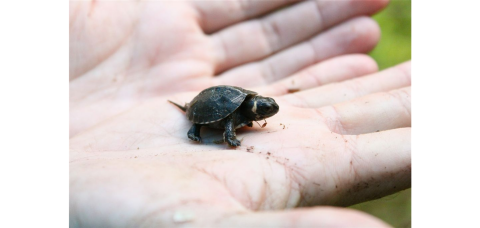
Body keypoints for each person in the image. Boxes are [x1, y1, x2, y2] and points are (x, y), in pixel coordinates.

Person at [68, 0, 411, 227]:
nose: (267, 111)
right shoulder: (235, 112)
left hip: (225, 98)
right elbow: (228, 118)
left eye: (266, 108)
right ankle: (194, 131)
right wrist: (227, 136)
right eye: (264, 109)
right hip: (205, 104)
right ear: (253, 107)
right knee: (198, 124)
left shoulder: (253, 103)